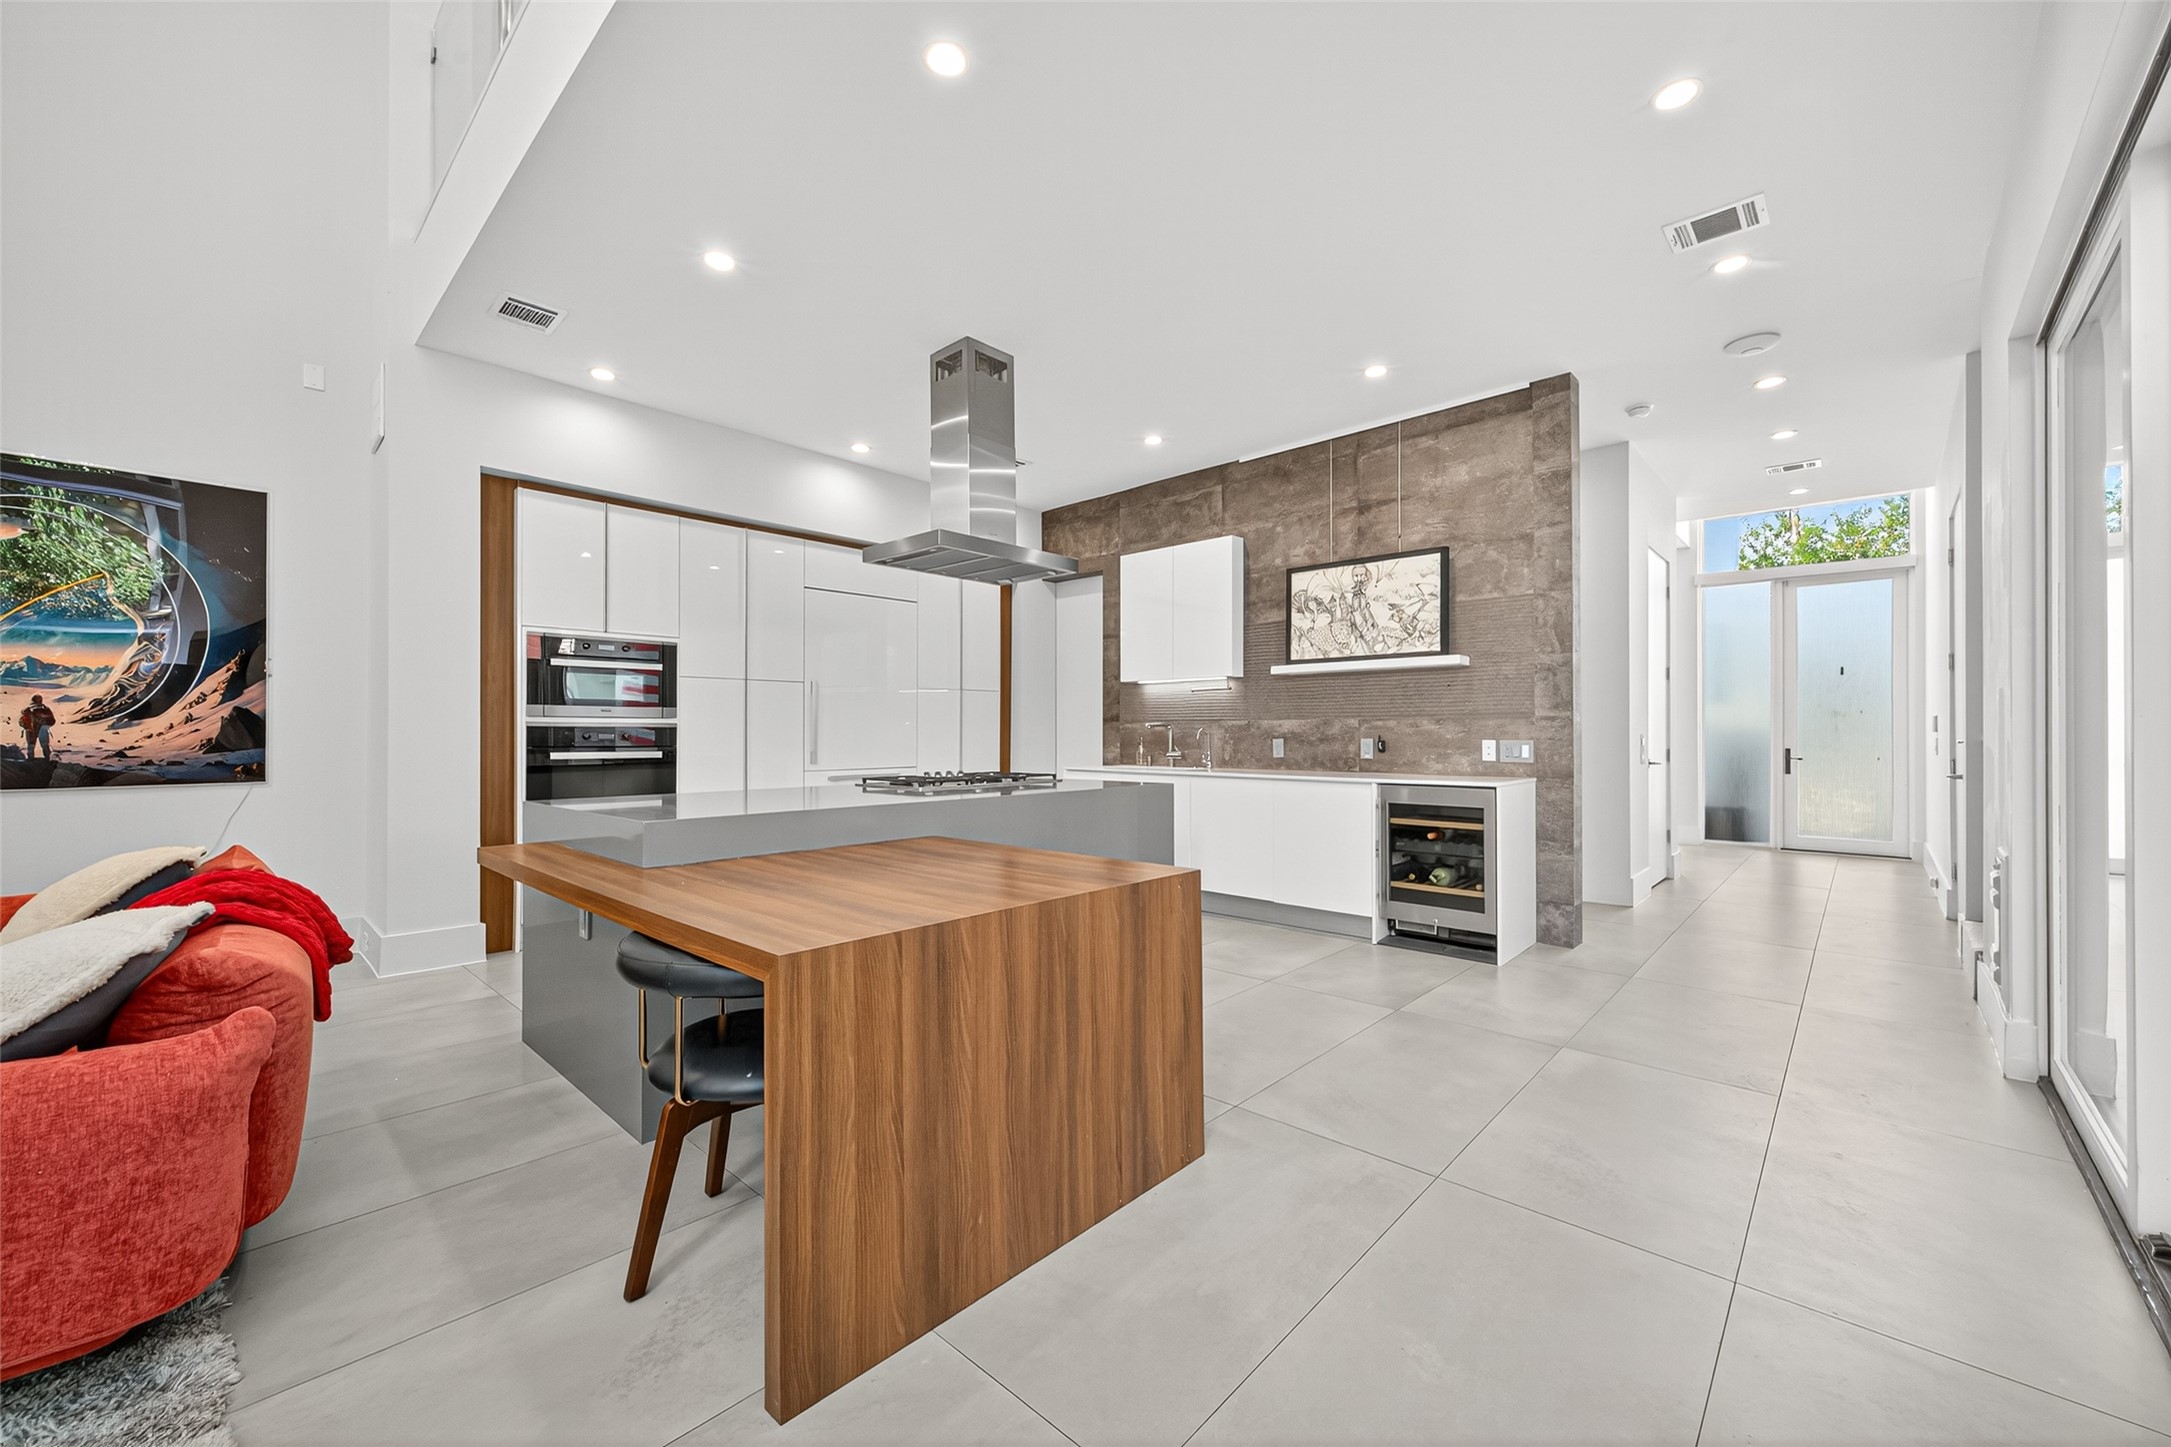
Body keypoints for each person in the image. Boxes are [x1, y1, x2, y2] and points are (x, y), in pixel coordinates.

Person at [19, 695, 56, 760]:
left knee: (31, 746)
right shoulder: (45, 709)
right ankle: (48, 760)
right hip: (42, 729)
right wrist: (45, 725)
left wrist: (26, 726)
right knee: (45, 745)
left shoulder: (27, 710)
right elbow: (52, 721)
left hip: (31, 730)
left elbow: (21, 721)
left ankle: (30, 761)